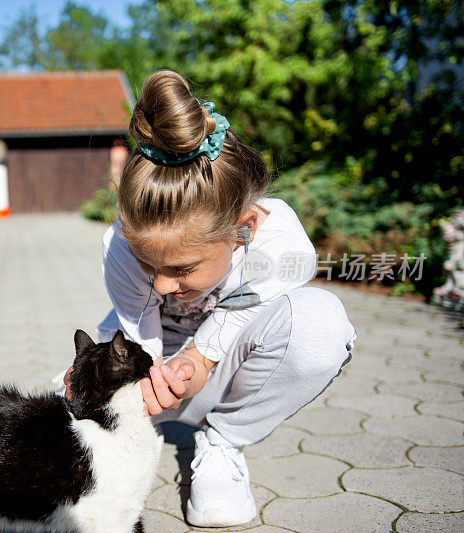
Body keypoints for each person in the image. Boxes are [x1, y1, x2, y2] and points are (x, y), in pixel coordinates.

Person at [63, 70, 356, 527]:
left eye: (181, 269)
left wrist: (199, 360)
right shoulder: (119, 244)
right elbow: (143, 346)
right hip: (151, 373)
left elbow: (226, 333)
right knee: (53, 417)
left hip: (226, 372)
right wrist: (101, 387)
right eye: (148, 264)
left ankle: (223, 442)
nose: (161, 286)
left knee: (320, 326)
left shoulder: (282, 245)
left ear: (244, 228)